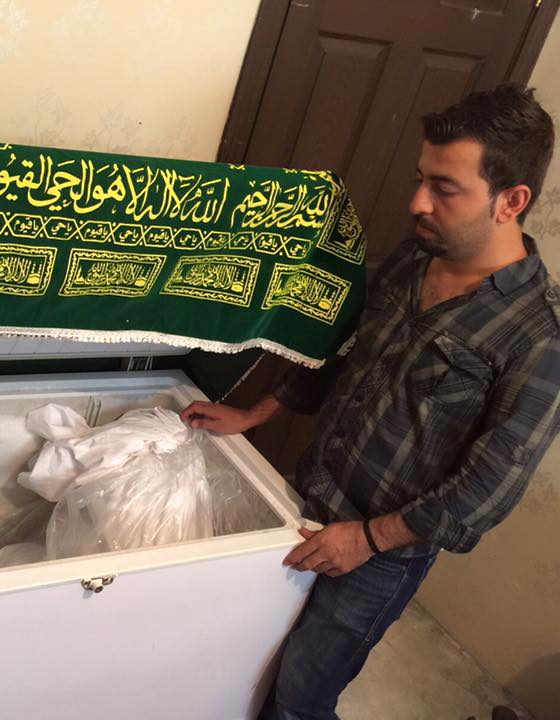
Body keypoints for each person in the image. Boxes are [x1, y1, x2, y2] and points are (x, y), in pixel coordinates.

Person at [181, 83, 559, 720]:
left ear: (511, 201)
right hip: (306, 496)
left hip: (380, 555)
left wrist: (366, 539)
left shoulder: (538, 336)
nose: (417, 202)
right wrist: (255, 414)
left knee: (300, 697)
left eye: (444, 188)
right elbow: (345, 353)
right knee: (248, 654)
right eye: (421, 179)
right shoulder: (414, 258)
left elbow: (489, 489)